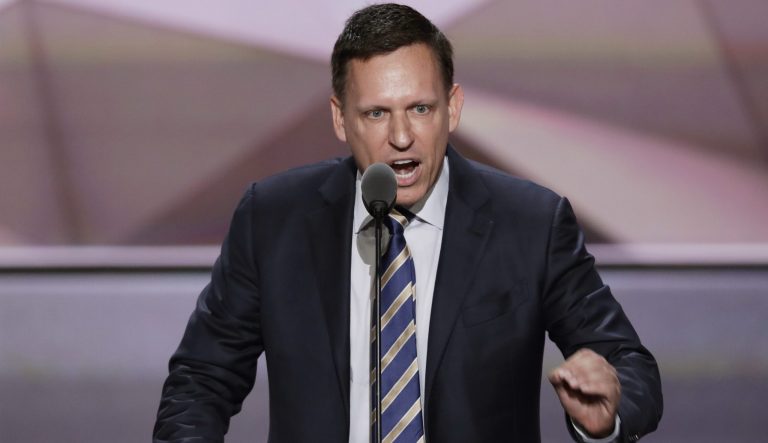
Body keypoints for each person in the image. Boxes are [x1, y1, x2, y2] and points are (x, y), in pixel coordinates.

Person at [153, 3, 662, 442]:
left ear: (453, 107)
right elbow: (201, 378)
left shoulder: (529, 222)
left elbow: (630, 366)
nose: (402, 136)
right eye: (376, 113)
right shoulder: (274, 218)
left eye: (420, 108)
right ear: (339, 118)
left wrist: (608, 413)